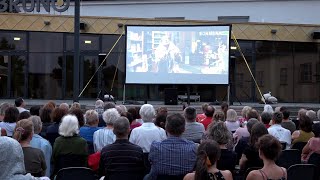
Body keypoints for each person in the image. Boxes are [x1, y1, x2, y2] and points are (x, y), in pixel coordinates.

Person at [147, 113, 196, 179]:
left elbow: (151, 161)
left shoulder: (155, 146)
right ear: (184, 129)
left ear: (166, 128)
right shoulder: (193, 147)